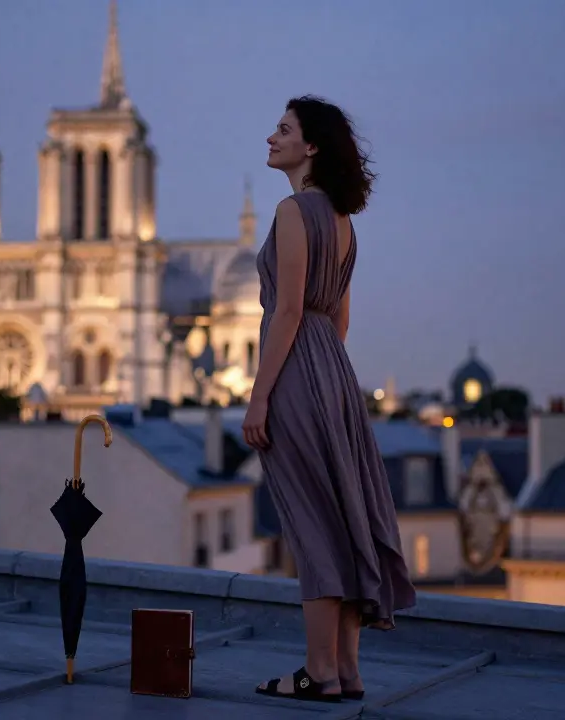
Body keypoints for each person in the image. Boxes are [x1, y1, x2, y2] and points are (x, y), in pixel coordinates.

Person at [244, 95, 416, 703]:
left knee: (311, 522)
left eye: (284, 129)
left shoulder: (294, 212)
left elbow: (287, 310)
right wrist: (324, 378)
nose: (271, 137)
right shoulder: (344, 222)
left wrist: (261, 396)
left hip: (294, 370)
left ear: (310, 146)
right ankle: (346, 671)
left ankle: (319, 671)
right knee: (342, 518)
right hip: (333, 373)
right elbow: (337, 321)